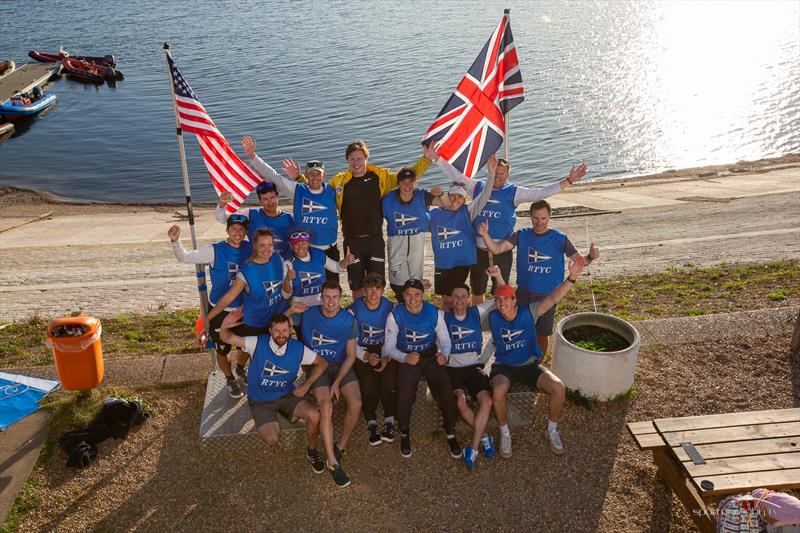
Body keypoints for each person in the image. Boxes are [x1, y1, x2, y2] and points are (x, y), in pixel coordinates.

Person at [218, 310, 348, 486]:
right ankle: (279, 414)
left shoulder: (297, 348)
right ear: (270, 331)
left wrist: (306, 385)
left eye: (285, 331)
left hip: (286, 396)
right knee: (272, 439)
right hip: (260, 402)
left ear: (290, 331)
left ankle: (311, 450)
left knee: (315, 416)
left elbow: (322, 363)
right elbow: (227, 338)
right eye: (277, 331)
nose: (281, 335)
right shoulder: (257, 343)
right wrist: (225, 325)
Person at [438, 156, 588, 304]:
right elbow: (455, 174)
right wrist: (437, 158)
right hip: (478, 249)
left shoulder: (514, 192)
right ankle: (479, 324)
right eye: (495, 172)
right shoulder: (476, 187)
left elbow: (541, 193)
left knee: (500, 291)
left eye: (501, 173)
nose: (497, 176)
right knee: (478, 291)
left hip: (502, 250)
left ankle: (498, 321)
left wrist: (568, 181)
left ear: (508, 175)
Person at [488, 254, 589, 458]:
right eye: (498, 300)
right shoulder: (491, 317)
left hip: (529, 365)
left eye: (506, 300)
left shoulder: (529, 312)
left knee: (559, 388)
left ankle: (552, 429)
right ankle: (505, 433)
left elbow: (552, 298)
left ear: (514, 301)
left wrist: (572, 278)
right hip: (504, 366)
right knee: (498, 392)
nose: (501, 304)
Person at [478, 200, 599, 355]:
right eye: (535, 218)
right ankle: (520, 359)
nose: (539, 222)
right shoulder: (522, 234)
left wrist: (591, 256)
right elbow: (496, 249)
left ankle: (538, 363)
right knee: (520, 329)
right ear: (530, 217)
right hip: (523, 294)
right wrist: (485, 235)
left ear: (549, 217)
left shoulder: (560, 238)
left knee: (541, 335)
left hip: (548, 297)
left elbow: (580, 262)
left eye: (543, 218)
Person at [323, 140, 435, 300]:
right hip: (352, 242)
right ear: (347, 161)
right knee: (357, 287)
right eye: (352, 159)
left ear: (366, 158)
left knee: (376, 285)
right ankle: (362, 319)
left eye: (359, 158)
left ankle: (377, 318)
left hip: (375, 241)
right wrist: (301, 180)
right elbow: (319, 191)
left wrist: (426, 159)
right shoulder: (339, 181)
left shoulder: (379, 176)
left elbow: (406, 178)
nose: (356, 163)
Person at [167, 215, 253, 398]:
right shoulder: (215, 250)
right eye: (233, 229)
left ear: (246, 232)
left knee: (245, 347)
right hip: (219, 310)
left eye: (241, 229)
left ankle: (240, 369)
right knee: (223, 348)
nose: (237, 233)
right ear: (227, 230)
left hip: (244, 309)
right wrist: (175, 241)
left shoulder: (250, 247)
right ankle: (229, 378)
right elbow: (185, 257)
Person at [241, 136, 341, 281]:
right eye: (311, 174)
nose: (314, 177)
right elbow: (274, 176)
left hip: (330, 248)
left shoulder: (333, 192)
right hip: (307, 249)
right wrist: (252, 156)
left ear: (324, 174)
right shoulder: (298, 190)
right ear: (306, 175)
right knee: (309, 284)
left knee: (332, 286)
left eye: (318, 173)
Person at [384, 279, 461, 459]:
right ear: (403, 295)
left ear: (423, 295)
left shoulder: (434, 312)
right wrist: (404, 357)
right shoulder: (395, 315)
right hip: (408, 356)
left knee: (447, 393)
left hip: (429, 355)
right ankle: (404, 433)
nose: (412, 298)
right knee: (404, 396)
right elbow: (388, 347)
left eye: (416, 294)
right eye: (408, 294)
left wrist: (444, 353)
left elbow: (446, 340)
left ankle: (450, 432)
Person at [294, 281, 361, 484]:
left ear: (340, 298)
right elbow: (278, 323)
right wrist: (290, 309)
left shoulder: (348, 320)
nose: (330, 301)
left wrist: (337, 382)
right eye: (327, 297)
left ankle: (340, 447)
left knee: (356, 403)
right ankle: (332, 461)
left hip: (339, 366)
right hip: (317, 366)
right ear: (321, 297)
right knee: (325, 405)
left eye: (334, 297)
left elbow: (351, 356)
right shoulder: (308, 314)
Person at [207, 228, 292, 381]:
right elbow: (228, 297)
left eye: (270, 245)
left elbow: (285, 292)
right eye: (262, 245)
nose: (267, 249)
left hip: (275, 318)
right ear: (254, 246)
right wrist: (208, 318)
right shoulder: (246, 272)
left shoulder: (277, 260)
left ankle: (240, 370)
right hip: (256, 322)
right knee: (255, 355)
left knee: (271, 355)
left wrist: (287, 281)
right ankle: (241, 380)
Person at [443, 266, 506, 470]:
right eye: (456, 297)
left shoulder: (476, 312)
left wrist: (497, 277)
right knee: (460, 402)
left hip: (473, 367)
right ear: (451, 300)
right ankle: (485, 436)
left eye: (463, 296)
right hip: (453, 369)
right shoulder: (443, 317)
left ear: (469, 299)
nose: (460, 300)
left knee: (486, 401)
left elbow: (504, 294)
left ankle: (473, 447)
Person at [427, 152, 495, 311]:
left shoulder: (467, 211)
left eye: (460, 197)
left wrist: (491, 174)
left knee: (457, 298)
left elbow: (484, 196)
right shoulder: (435, 213)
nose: (455, 199)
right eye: (453, 195)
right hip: (442, 263)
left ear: (464, 200)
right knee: (445, 300)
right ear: (447, 195)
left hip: (461, 263)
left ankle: (461, 325)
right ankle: (447, 329)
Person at [382, 165, 450, 301]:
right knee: (398, 284)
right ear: (398, 183)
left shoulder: (422, 195)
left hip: (417, 241)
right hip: (397, 242)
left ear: (415, 183)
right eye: (404, 182)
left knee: (415, 282)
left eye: (411, 182)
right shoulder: (388, 199)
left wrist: (441, 194)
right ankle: (402, 308)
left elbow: (446, 205)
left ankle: (415, 308)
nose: (407, 186)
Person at [348, 273, 397, 445]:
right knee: (367, 383)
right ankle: (371, 422)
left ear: (383, 290)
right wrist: (366, 356)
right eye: (369, 289)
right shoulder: (353, 310)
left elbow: (393, 337)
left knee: (388, 382)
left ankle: (390, 421)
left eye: (377, 289)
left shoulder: (390, 308)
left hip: (385, 349)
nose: (373, 293)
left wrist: (385, 357)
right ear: (364, 290)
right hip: (362, 350)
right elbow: (350, 342)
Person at [215, 181, 294, 258]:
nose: (270, 202)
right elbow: (222, 219)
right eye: (265, 199)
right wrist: (222, 203)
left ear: (277, 197)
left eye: (272, 197)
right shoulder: (250, 214)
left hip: (283, 264)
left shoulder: (289, 218)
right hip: (258, 264)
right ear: (260, 201)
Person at [284, 230, 355, 308]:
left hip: (321, 304)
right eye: (296, 244)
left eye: (304, 243)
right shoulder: (289, 263)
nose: (301, 247)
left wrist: (346, 261)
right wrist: (287, 280)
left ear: (308, 244)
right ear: (291, 245)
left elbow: (337, 268)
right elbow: (286, 295)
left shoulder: (318, 254)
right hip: (299, 307)